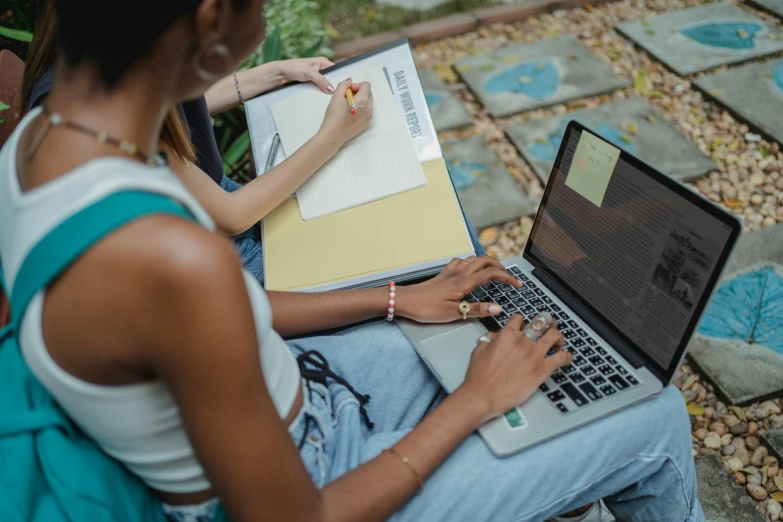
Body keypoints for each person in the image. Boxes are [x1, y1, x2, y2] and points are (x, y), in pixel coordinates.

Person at [0, 1, 704, 522]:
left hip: (311, 397)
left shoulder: (41, 138)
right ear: (212, 17)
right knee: (654, 412)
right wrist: (470, 405)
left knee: (493, 333)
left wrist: (396, 298)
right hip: (318, 477)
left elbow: (236, 314)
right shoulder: (174, 261)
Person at [20, 0, 486, 285]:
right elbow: (233, 216)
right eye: (261, 7)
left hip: (222, 226)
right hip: (236, 251)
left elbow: (183, 101)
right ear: (212, 15)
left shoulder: (99, 66)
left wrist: (275, 73)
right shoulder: (115, 133)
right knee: (439, 231)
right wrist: (333, 135)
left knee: (431, 208)